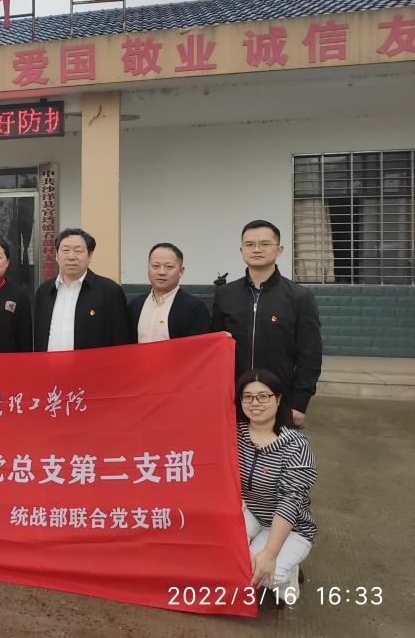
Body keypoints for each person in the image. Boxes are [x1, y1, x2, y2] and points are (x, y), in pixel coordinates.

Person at [212, 220, 322, 425]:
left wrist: (300, 401)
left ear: (279, 249)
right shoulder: (225, 294)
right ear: (241, 250)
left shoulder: (300, 297)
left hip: (278, 397)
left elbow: (310, 355)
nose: (256, 249)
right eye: (250, 244)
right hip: (234, 397)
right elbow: (215, 349)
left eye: (265, 244)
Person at [236, 368, 317, 600]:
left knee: (262, 573)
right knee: (229, 560)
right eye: (248, 397)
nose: (255, 403)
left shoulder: (296, 446)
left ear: (279, 399)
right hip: (251, 512)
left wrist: (270, 554)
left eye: (263, 396)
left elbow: (290, 502)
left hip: (290, 526)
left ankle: (287, 573)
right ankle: (259, 549)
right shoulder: (234, 433)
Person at [33, 228, 131, 351]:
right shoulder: (44, 291)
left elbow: (121, 340)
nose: (71, 257)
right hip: (48, 363)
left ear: (90, 256)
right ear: (57, 255)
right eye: (65, 250)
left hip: (92, 363)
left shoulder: (110, 291)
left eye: (78, 251)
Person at [129, 242, 210, 343]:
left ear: (181, 271)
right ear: (148, 268)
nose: (161, 272)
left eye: (169, 267)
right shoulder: (135, 304)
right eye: (155, 266)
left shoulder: (195, 308)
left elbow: (200, 347)